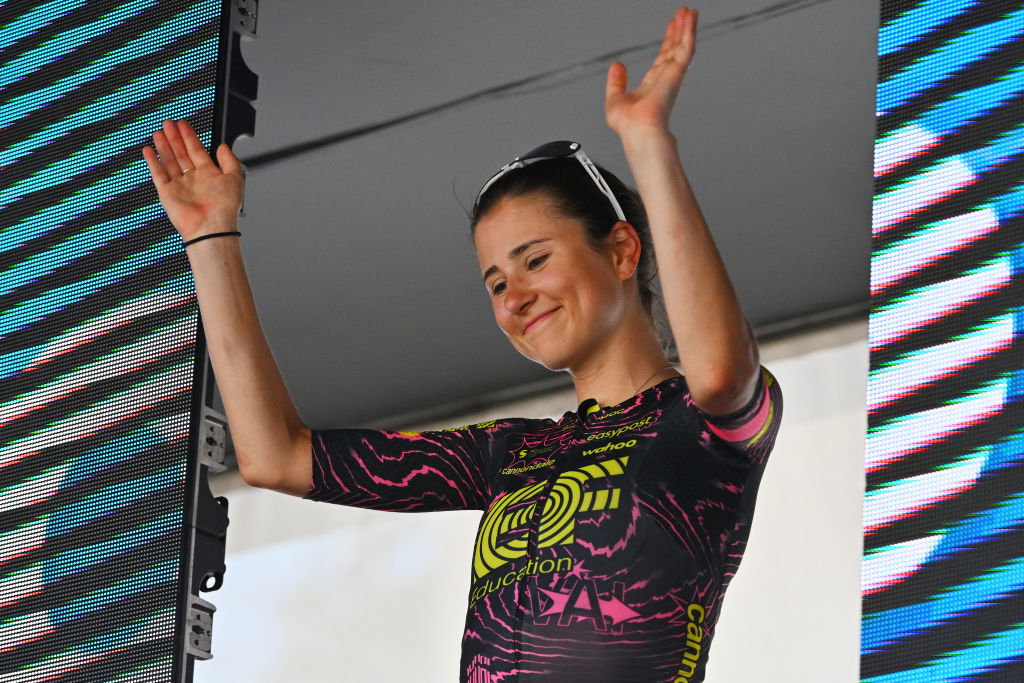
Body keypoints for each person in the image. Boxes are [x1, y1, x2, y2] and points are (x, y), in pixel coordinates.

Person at [143, 8, 781, 682]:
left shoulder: (701, 434)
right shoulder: (511, 453)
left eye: (535, 260)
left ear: (623, 250)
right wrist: (211, 236)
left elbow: (715, 370)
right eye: (496, 280)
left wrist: (647, 142)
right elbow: (276, 455)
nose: (513, 297)